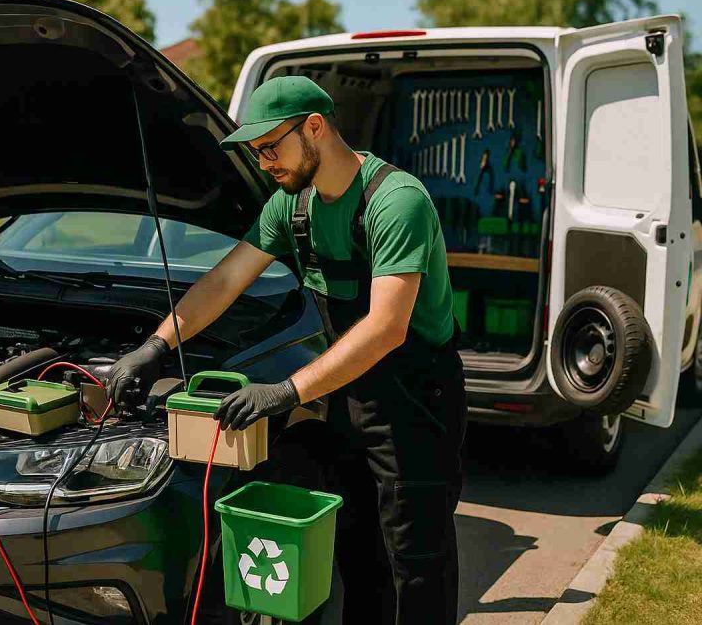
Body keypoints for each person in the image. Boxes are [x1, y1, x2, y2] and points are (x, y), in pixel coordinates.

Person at [106, 75, 466, 625]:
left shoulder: (395, 202)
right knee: (357, 546)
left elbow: (387, 327)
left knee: (415, 557)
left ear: (315, 128)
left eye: (271, 146)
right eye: (256, 151)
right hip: (348, 393)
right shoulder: (290, 207)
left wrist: (286, 390)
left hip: (416, 398)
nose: (265, 161)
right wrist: (155, 345)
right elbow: (224, 282)